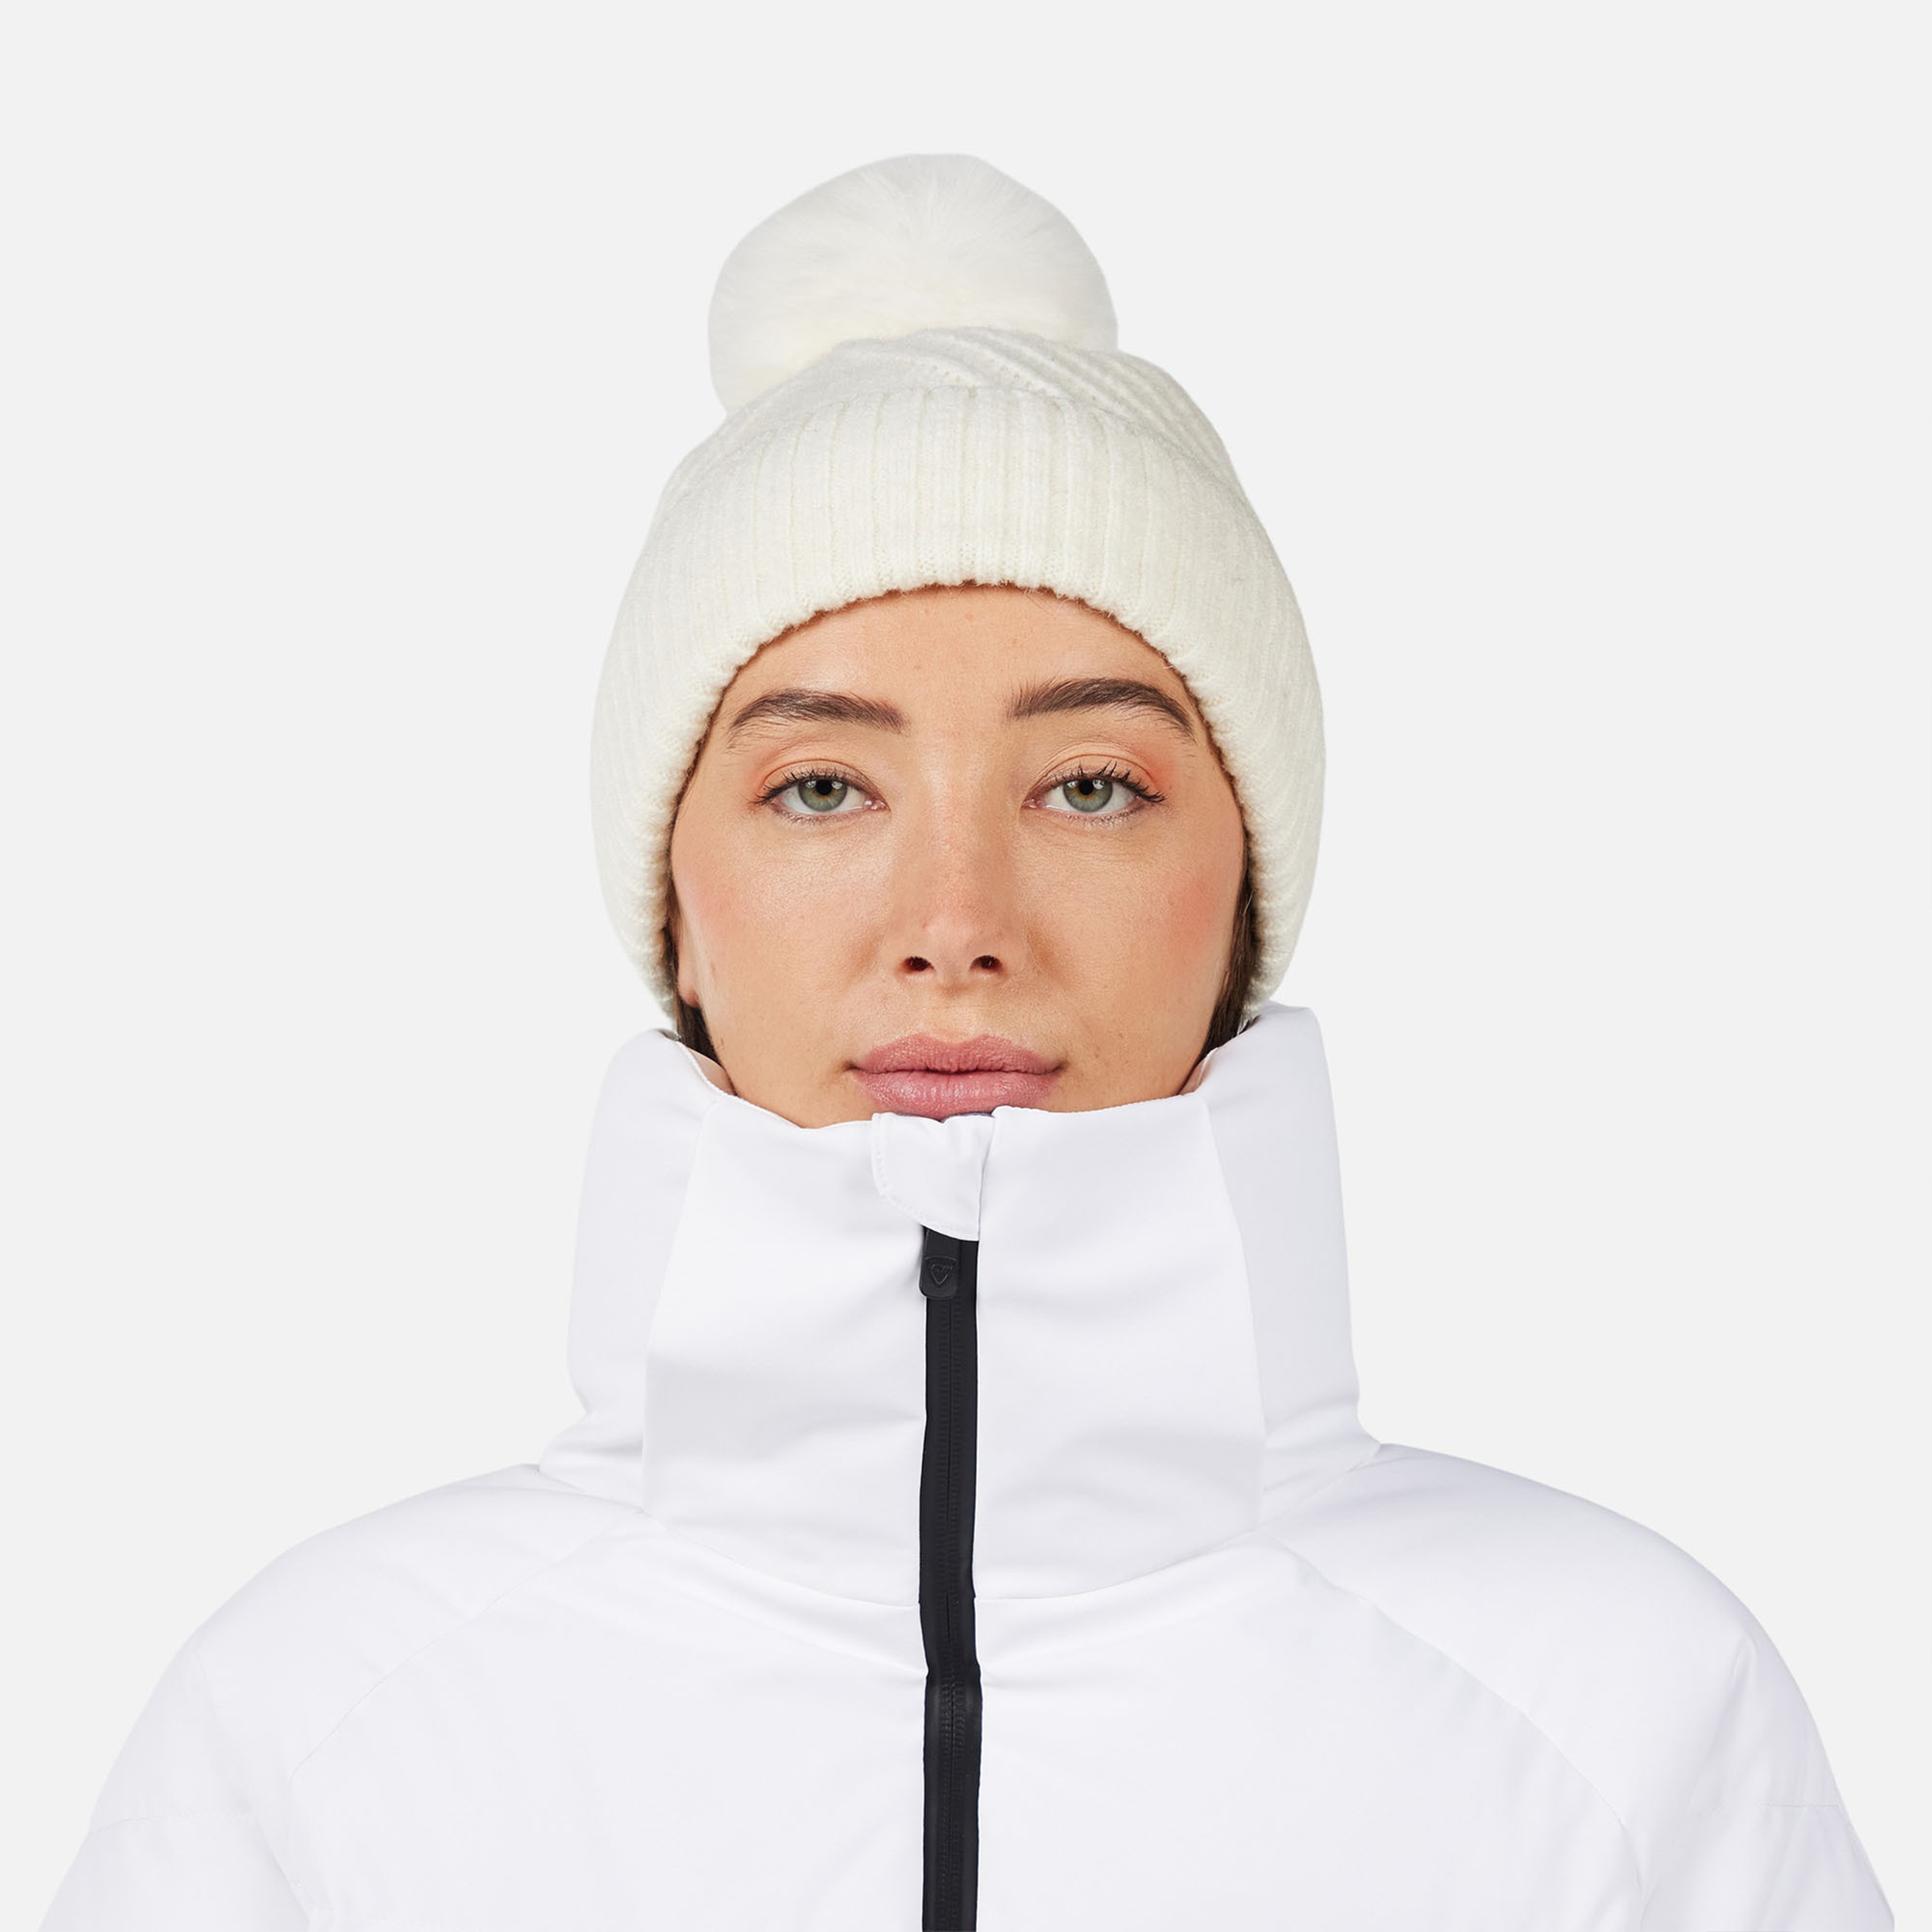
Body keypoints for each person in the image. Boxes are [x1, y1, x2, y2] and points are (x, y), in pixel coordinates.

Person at [42, 155, 1890, 1932]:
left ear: (1243, 884)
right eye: (819, 784)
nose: (953, 916)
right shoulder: (326, 1726)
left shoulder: (1618, 1709)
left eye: (1088, 783)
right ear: (672, 898)